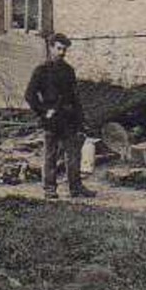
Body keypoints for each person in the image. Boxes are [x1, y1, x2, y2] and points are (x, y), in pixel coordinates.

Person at [25, 32, 92, 199]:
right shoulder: (41, 70)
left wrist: (80, 119)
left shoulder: (69, 71)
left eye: (64, 49)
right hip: (51, 119)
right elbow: (30, 95)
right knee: (51, 155)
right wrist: (42, 111)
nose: (62, 53)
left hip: (68, 118)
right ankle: (49, 189)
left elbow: (75, 97)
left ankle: (75, 188)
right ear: (51, 48)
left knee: (74, 154)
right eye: (59, 48)